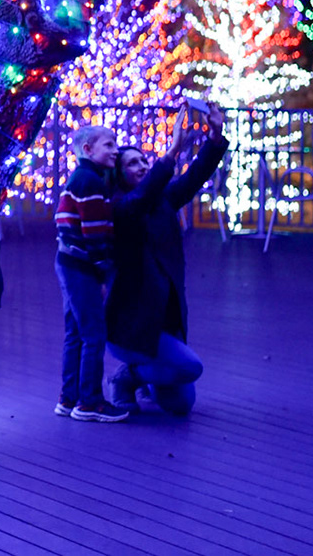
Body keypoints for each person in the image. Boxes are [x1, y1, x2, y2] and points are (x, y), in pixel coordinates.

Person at [106, 121, 229, 416]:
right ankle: (127, 377)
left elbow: (194, 177)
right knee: (190, 367)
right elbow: (140, 199)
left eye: (144, 160)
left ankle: (145, 375)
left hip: (164, 322)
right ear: (118, 175)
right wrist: (173, 151)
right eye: (132, 163)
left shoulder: (162, 201)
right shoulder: (120, 208)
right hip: (132, 327)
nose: (142, 165)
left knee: (181, 405)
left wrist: (214, 138)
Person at [54, 123, 127, 422]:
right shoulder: (91, 183)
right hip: (82, 265)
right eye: (108, 145)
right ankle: (89, 402)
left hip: (68, 261)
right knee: (94, 332)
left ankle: (68, 397)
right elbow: (94, 233)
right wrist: (101, 274)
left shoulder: (81, 179)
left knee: (75, 332)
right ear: (87, 150)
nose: (115, 150)